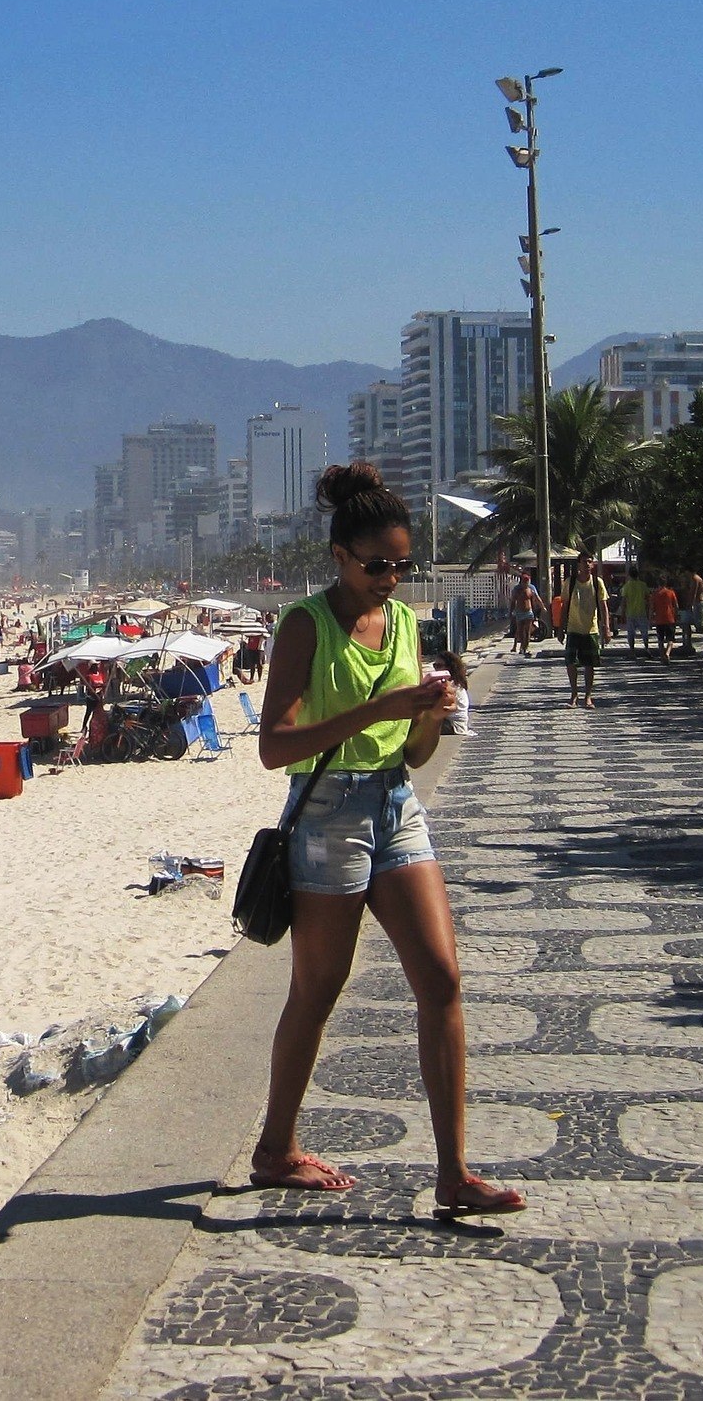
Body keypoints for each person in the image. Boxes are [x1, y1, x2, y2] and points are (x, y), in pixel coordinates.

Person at [251, 461, 521, 1217]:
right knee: (318, 991)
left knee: (441, 980)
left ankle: (455, 1175)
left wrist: (429, 717)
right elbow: (276, 745)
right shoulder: (306, 623)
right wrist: (383, 708)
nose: (392, 579)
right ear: (339, 556)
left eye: (403, 565)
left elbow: (410, 756)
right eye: (378, 566)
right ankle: (276, 1150)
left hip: (397, 807)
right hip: (328, 816)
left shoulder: (404, 623)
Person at [563, 552, 610, 708]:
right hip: (573, 628)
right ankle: (574, 694)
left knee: (589, 664)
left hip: (591, 629)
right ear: (579, 564)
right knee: (571, 663)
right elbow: (564, 607)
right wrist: (559, 628)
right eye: (584, 562)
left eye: (590, 562)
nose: (588, 565)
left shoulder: (598, 583)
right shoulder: (570, 583)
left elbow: (603, 607)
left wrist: (607, 628)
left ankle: (588, 696)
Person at [435, 650, 475, 737]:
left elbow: (442, 707)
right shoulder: (454, 682)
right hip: (452, 722)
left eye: (439, 666)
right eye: (435, 666)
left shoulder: (452, 685)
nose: (436, 669)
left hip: (453, 724)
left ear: (449, 667)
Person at [507, 569, 543, 656]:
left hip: (529, 612)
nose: (526, 584)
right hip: (519, 612)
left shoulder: (531, 589)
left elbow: (536, 599)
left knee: (527, 632)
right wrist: (511, 612)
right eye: (525, 582)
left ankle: (525, 648)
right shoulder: (517, 590)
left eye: (527, 582)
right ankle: (520, 646)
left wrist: (542, 607)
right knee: (519, 631)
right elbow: (513, 601)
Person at [621, 566, 651, 655]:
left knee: (631, 633)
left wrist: (622, 613)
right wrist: (648, 609)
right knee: (644, 632)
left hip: (630, 613)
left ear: (629, 575)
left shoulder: (627, 586)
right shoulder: (643, 585)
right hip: (641, 612)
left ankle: (632, 651)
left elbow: (624, 601)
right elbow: (647, 598)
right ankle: (646, 648)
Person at [677, 567, 703, 656]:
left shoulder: (695, 579)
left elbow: (693, 593)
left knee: (699, 626)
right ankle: (687, 644)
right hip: (695, 604)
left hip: (696, 604)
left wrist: (689, 605)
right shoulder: (695, 578)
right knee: (686, 624)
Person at [650, 577, 679, 664]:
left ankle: (662, 656)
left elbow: (652, 608)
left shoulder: (655, 594)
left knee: (660, 639)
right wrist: (676, 615)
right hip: (670, 618)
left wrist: (651, 617)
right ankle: (668, 652)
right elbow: (676, 606)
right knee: (670, 638)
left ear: (658, 583)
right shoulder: (671, 593)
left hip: (659, 619)